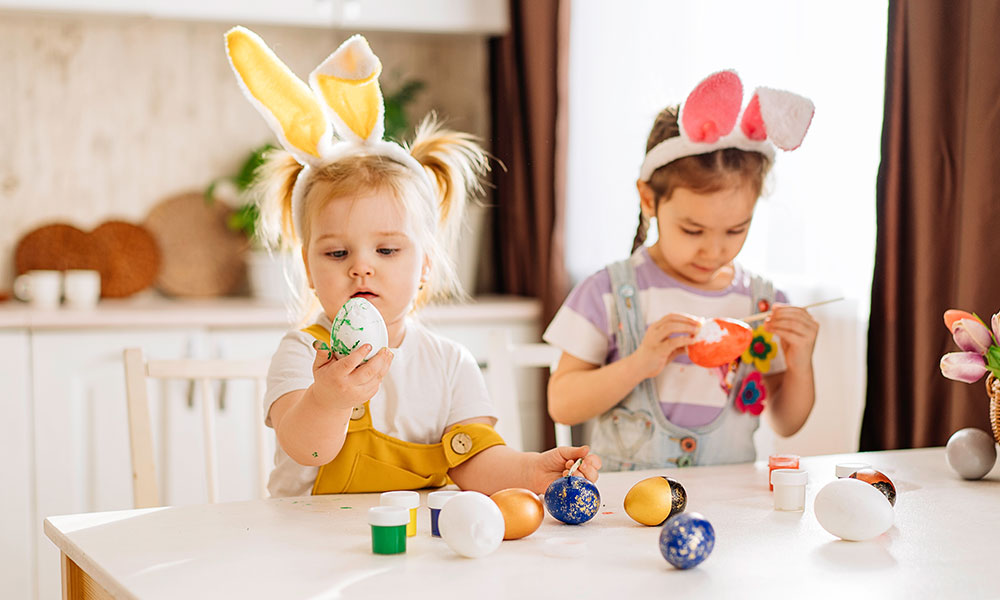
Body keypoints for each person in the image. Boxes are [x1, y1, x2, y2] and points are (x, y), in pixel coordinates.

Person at [225, 27, 600, 497]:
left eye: (387, 250)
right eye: (337, 253)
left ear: (424, 264)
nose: (361, 268)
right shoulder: (304, 354)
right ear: (308, 267)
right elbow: (307, 450)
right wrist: (328, 398)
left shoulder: (448, 364)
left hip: (411, 555)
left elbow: (474, 463)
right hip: (310, 552)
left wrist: (529, 472)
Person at [544, 70, 819, 471]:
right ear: (648, 199)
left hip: (730, 510)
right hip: (626, 511)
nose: (713, 248)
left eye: (736, 229)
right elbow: (562, 404)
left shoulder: (762, 302)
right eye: (692, 230)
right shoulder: (607, 291)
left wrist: (801, 364)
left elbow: (787, 422)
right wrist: (638, 364)